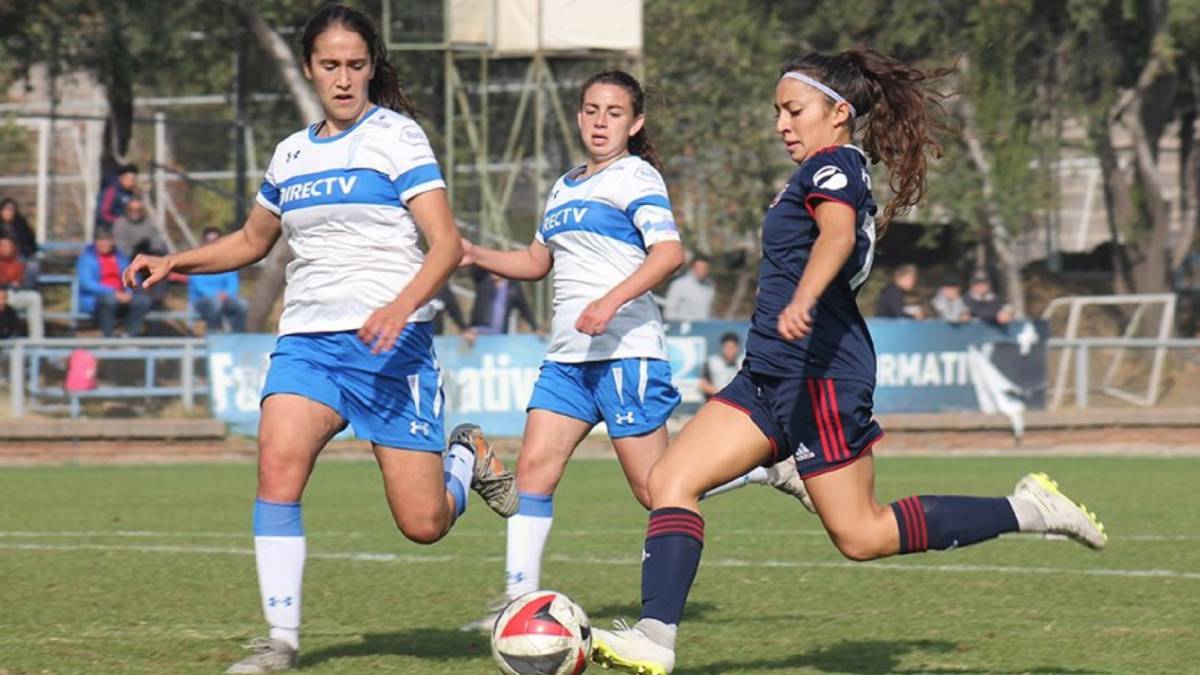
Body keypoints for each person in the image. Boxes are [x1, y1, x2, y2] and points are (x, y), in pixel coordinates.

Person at [590, 48, 1107, 675]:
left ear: (838, 113)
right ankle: (655, 637)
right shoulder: (814, 170)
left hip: (822, 376)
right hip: (769, 373)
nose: (782, 124)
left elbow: (836, 237)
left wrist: (804, 298)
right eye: (778, 111)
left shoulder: (834, 165)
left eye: (794, 110)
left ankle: (1027, 509)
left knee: (862, 535)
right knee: (668, 482)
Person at [122, 6, 517, 673]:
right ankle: (280, 640)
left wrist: (399, 306)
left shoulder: (397, 138)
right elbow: (252, 240)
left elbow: (447, 245)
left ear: (371, 67)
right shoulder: (291, 153)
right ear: (308, 68)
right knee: (276, 465)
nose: (343, 78)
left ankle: (465, 453)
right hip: (308, 344)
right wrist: (175, 261)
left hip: (392, 349)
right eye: (330, 65)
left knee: (423, 523)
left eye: (356, 65)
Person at [458, 70, 812, 634]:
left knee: (656, 489)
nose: (600, 122)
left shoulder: (636, 176)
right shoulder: (564, 185)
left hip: (628, 355)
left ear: (635, 122)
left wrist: (609, 301)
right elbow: (535, 261)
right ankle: (517, 601)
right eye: (592, 110)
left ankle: (766, 470)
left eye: (615, 112)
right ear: (579, 116)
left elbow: (669, 253)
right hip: (568, 359)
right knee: (533, 470)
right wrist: (475, 254)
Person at [78, 229, 151, 337]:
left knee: (143, 301)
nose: (104, 244)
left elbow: (132, 276)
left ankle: (129, 336)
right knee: (109, 300)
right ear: (95, 242)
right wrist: (113, 292)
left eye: (107, 240)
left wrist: (129, 292)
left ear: (112, 242)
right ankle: (109, 336)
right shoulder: (87, 259)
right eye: (101, 240)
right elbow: (86, 283)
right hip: (98, 298)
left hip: (122, 295)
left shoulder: (121, 257)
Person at [189, 227, 248, 333]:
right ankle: (214, 334)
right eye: (209, 241)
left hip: (225, 299)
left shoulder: (228, 260)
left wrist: (227, 294)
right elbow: (199, 286)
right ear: (204, 242)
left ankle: (238, 336)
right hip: (202, 301)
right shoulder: (196, 260)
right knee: (215, 303)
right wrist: (216, 295)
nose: (212, 244)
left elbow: (232, 281)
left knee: (243, 304)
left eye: (216, 240)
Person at [468, 266, 540, 336]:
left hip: (500, 335)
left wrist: (536, 327)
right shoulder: (483, 282)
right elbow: (475, 267)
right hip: (478, 333)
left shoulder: (513, 288)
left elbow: (524, 309)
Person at [0, 236, 44, 339]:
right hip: (2, 294)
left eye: (8, 245)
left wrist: (16, 285)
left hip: (12, 294)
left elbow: (28, 283)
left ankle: (36, 340)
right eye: (2, 245)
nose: (6, 248)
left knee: (34, 298)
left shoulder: (19, 262)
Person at [663, 255, 714, 321]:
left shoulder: (710, 285)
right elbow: (668, 313)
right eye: (699, 268)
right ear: (692, 268)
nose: (702, 272)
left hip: (704, 326)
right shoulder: (679, 284)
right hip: (683, 326)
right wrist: (692, 319)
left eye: (704, 269)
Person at [697, 332, 742, 399]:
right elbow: (702, 385)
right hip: (718, 399)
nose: (730, 351)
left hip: (739, 400)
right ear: (722, 348)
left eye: (733, 347)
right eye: (727, 347)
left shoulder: (744, 362)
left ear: (738, 348)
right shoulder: (712, 362)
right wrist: (721, 393)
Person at [94, 164, 139, 231]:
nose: (131, 182)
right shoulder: (111, 192)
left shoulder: (133, 193)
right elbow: (103, 214)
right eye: (128, 179)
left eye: (133, 179)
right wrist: (120, 222)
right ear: (120, 178)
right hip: (109, 229)